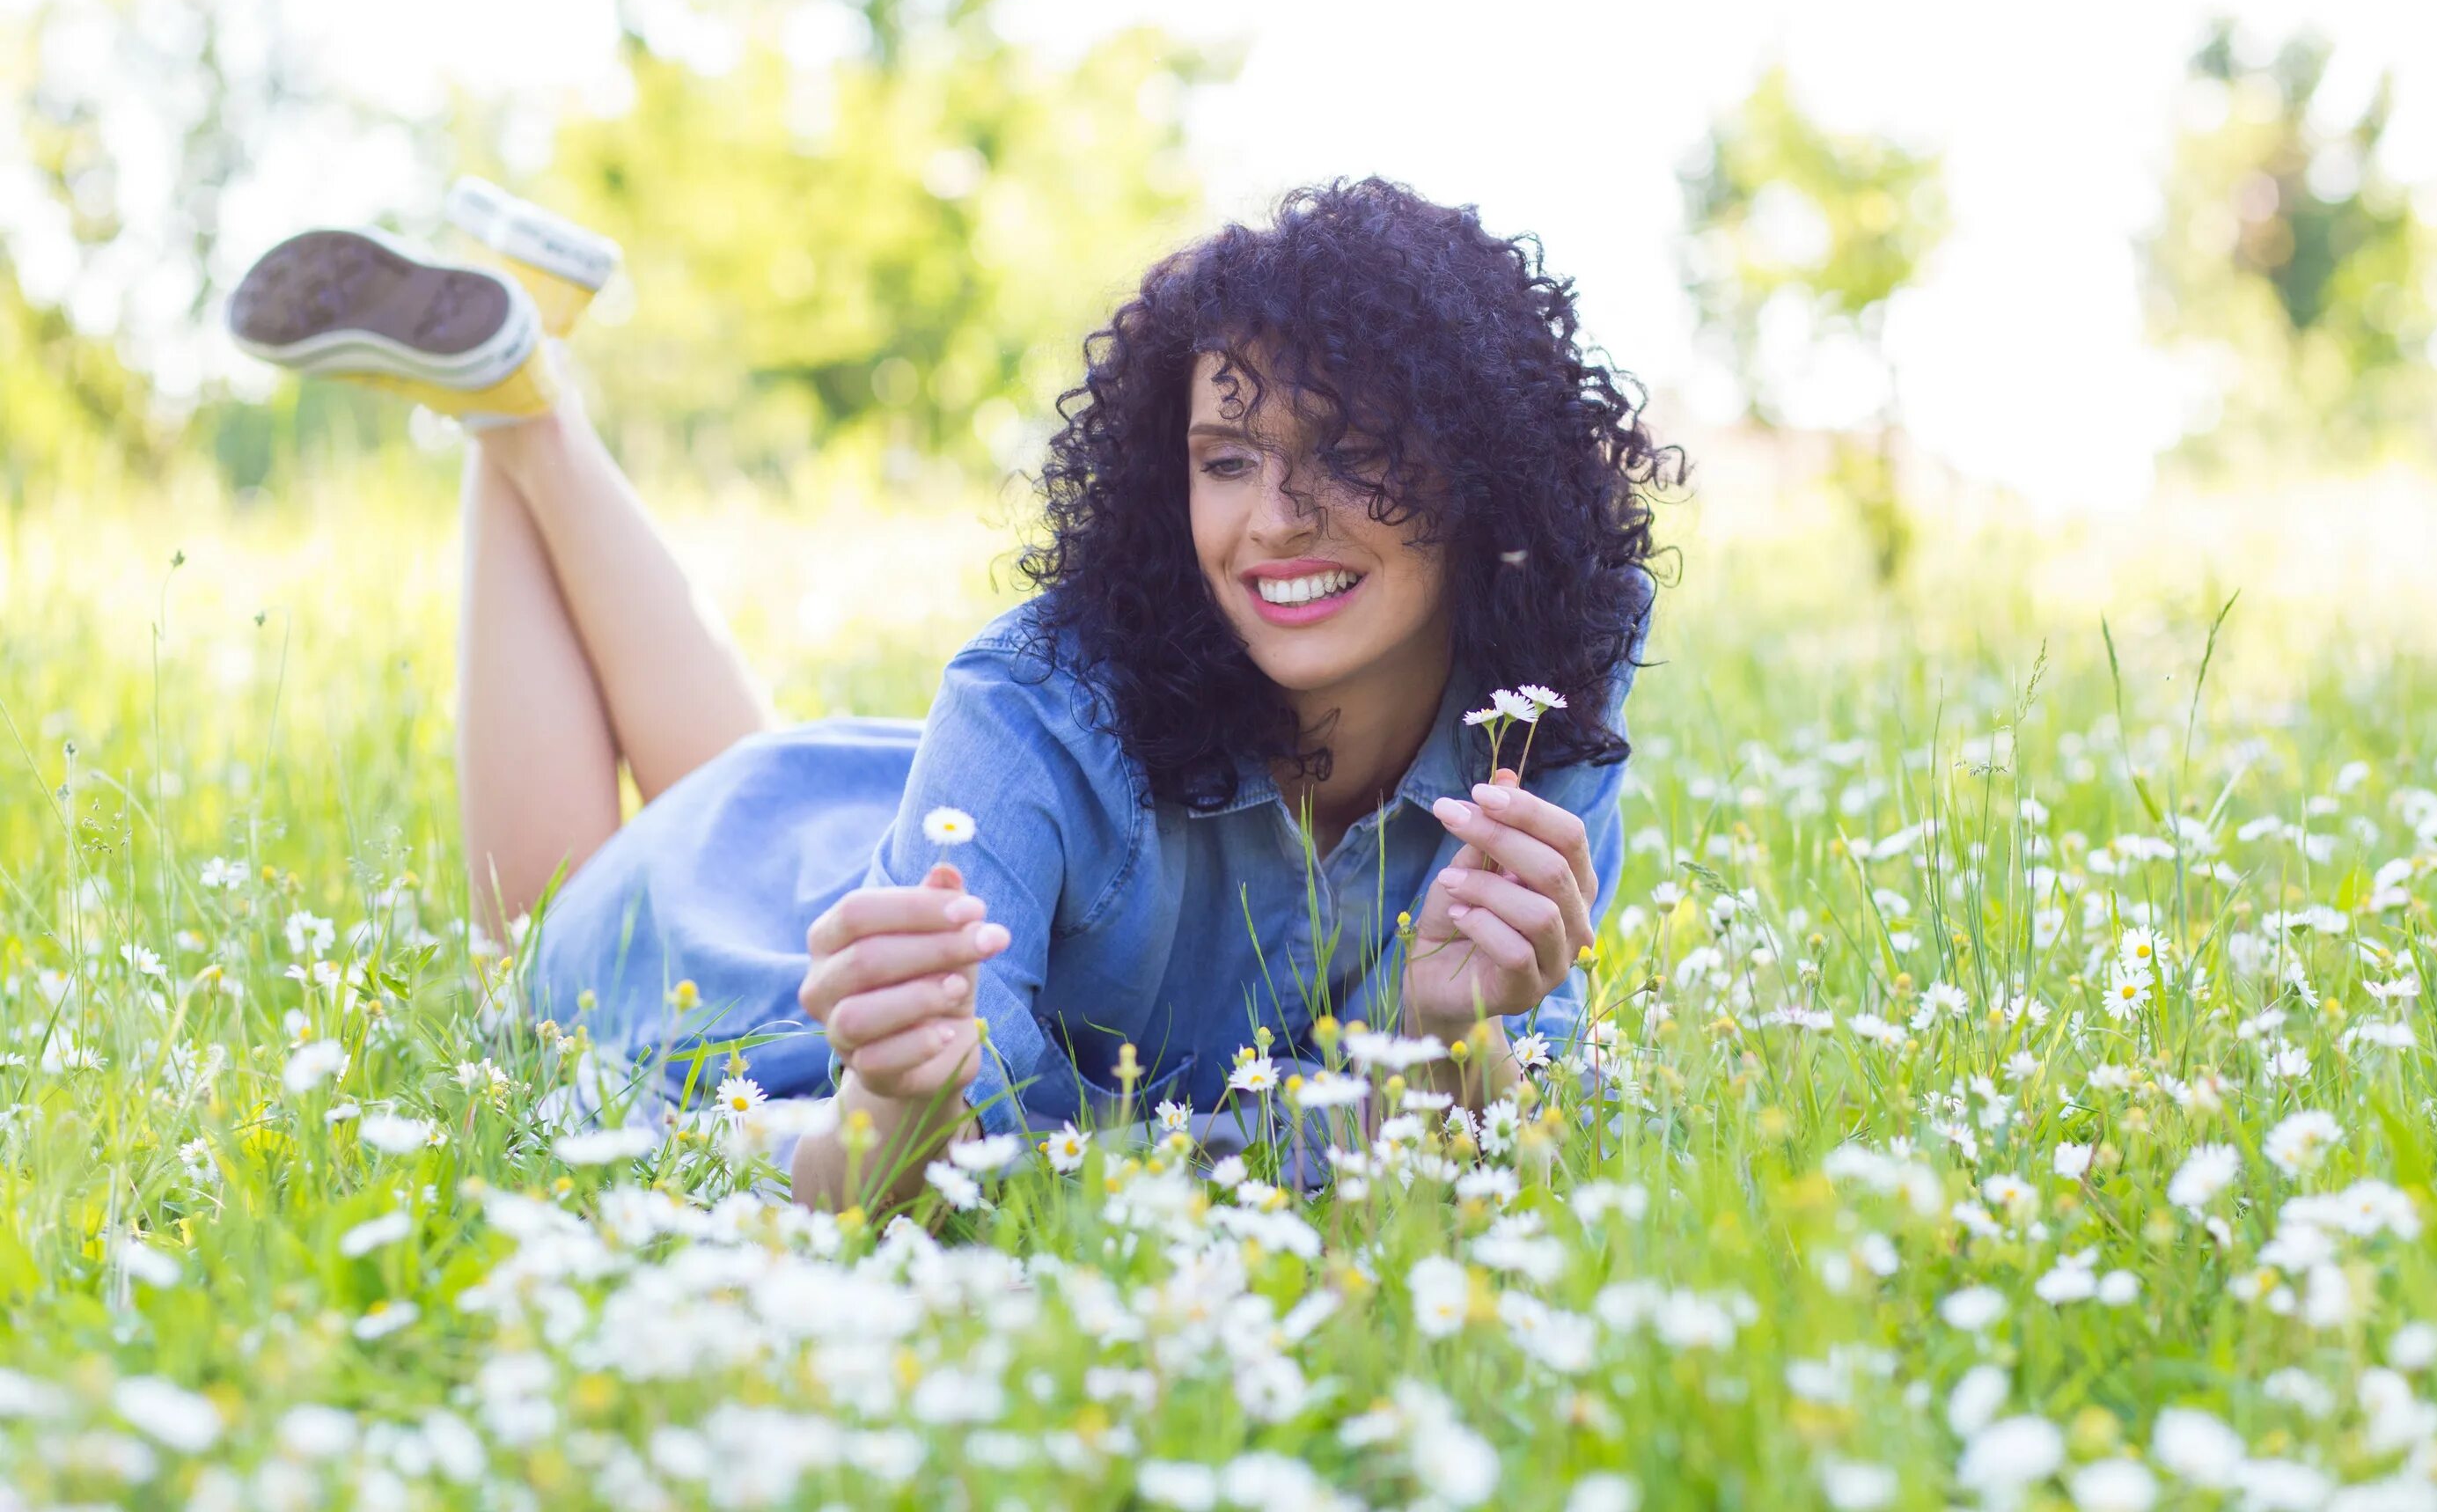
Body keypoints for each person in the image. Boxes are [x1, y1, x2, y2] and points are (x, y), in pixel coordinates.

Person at [226, 174, 1684, 1209]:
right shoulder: (1040, 698)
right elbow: (911, 1169)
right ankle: (512, 402)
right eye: (1227, 459)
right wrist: (885, 1125)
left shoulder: (1545, 712)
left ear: (1487, 465)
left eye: (1349, 450)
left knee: (752, 770)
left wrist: (1449, 1053)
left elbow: (1481, 1132)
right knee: (530, 936)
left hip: (836, 806)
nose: (1275, 520)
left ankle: (512, 362)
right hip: (742, 945)